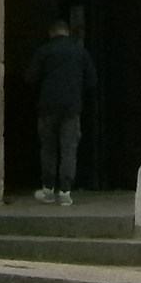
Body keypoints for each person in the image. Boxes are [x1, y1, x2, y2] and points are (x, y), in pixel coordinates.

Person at [23, 19, 97, 205]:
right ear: (67, 32)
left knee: (48, 148)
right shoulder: (80, 51)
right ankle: (65, 191)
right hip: (72, 107)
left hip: (47, 106)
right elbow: (92, 80)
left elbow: (30, 77)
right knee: (68, 149)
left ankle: (48, 189)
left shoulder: (44, 51)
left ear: (52, 33)